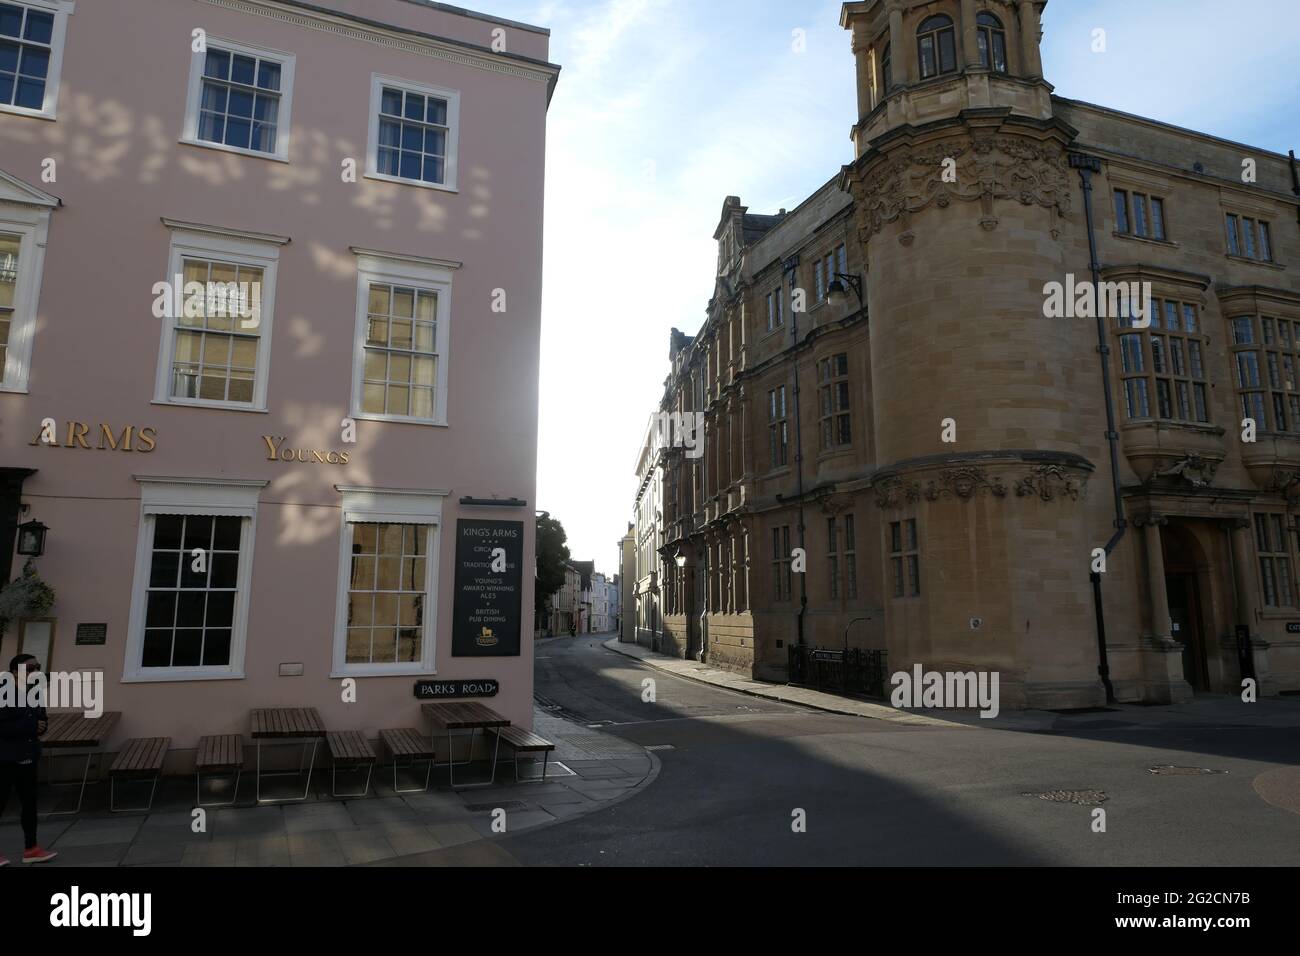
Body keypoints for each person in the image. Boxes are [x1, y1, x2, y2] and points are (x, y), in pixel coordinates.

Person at [0, 654, 57, 864]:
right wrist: (31, 726)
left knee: (30, 804)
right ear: (15, 671)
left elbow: (42, 719)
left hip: (28, 755)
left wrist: (41, 726)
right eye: (30, 668)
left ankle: (31, 849)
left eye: (37, 667)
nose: (34, 671)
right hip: (5, 757)